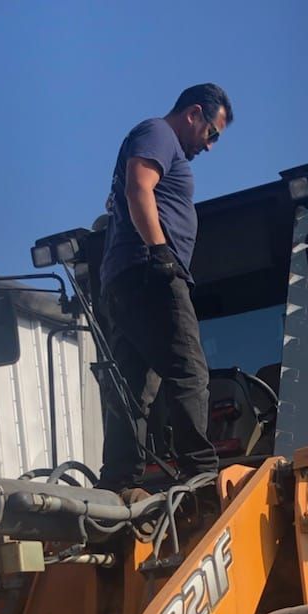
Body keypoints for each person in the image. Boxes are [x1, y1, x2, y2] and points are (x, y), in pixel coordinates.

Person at [97, 83, 233, 498]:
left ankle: (121, 480)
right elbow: (138, 187)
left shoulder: (155, 139)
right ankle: (203, 476)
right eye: (212, 134)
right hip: (149, 273)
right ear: (194, 113)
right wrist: (161, 253)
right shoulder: (158, 133)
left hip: (127, 278)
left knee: (135, 386)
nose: (209, 147)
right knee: (189, 371)